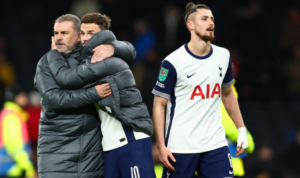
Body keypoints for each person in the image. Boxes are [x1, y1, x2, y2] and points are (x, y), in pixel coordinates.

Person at [46, 12, 155, 178]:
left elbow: (66, 79)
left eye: (91, 33)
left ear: (103, 35)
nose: (85, 38)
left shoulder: (104, 61)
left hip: (130, 137)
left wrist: (54, 53)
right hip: (110, 144)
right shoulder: (92, 58)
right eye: (82, 33)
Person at [152, 2, 249, 178]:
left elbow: (227, 94)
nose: (210, 23)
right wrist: (161, 146)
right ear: (190, 25)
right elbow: (159, 105)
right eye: (204, 19)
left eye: (212, 19)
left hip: (215, 144)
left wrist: (241, 129)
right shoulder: (172, 62)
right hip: (180, 146)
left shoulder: (223, 56)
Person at [0, 86, 36, 178]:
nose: (25, 99)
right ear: (14, 97)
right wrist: (28, 167)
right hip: (13, 168)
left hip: (12, 167)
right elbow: (15, 145)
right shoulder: (12, 116)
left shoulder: (12, 113)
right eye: (22, 96)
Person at [221, 82, 255, 178]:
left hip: (222, 166)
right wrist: (248, 140)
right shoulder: (220, 89)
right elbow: (229, 125)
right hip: (225, 167)